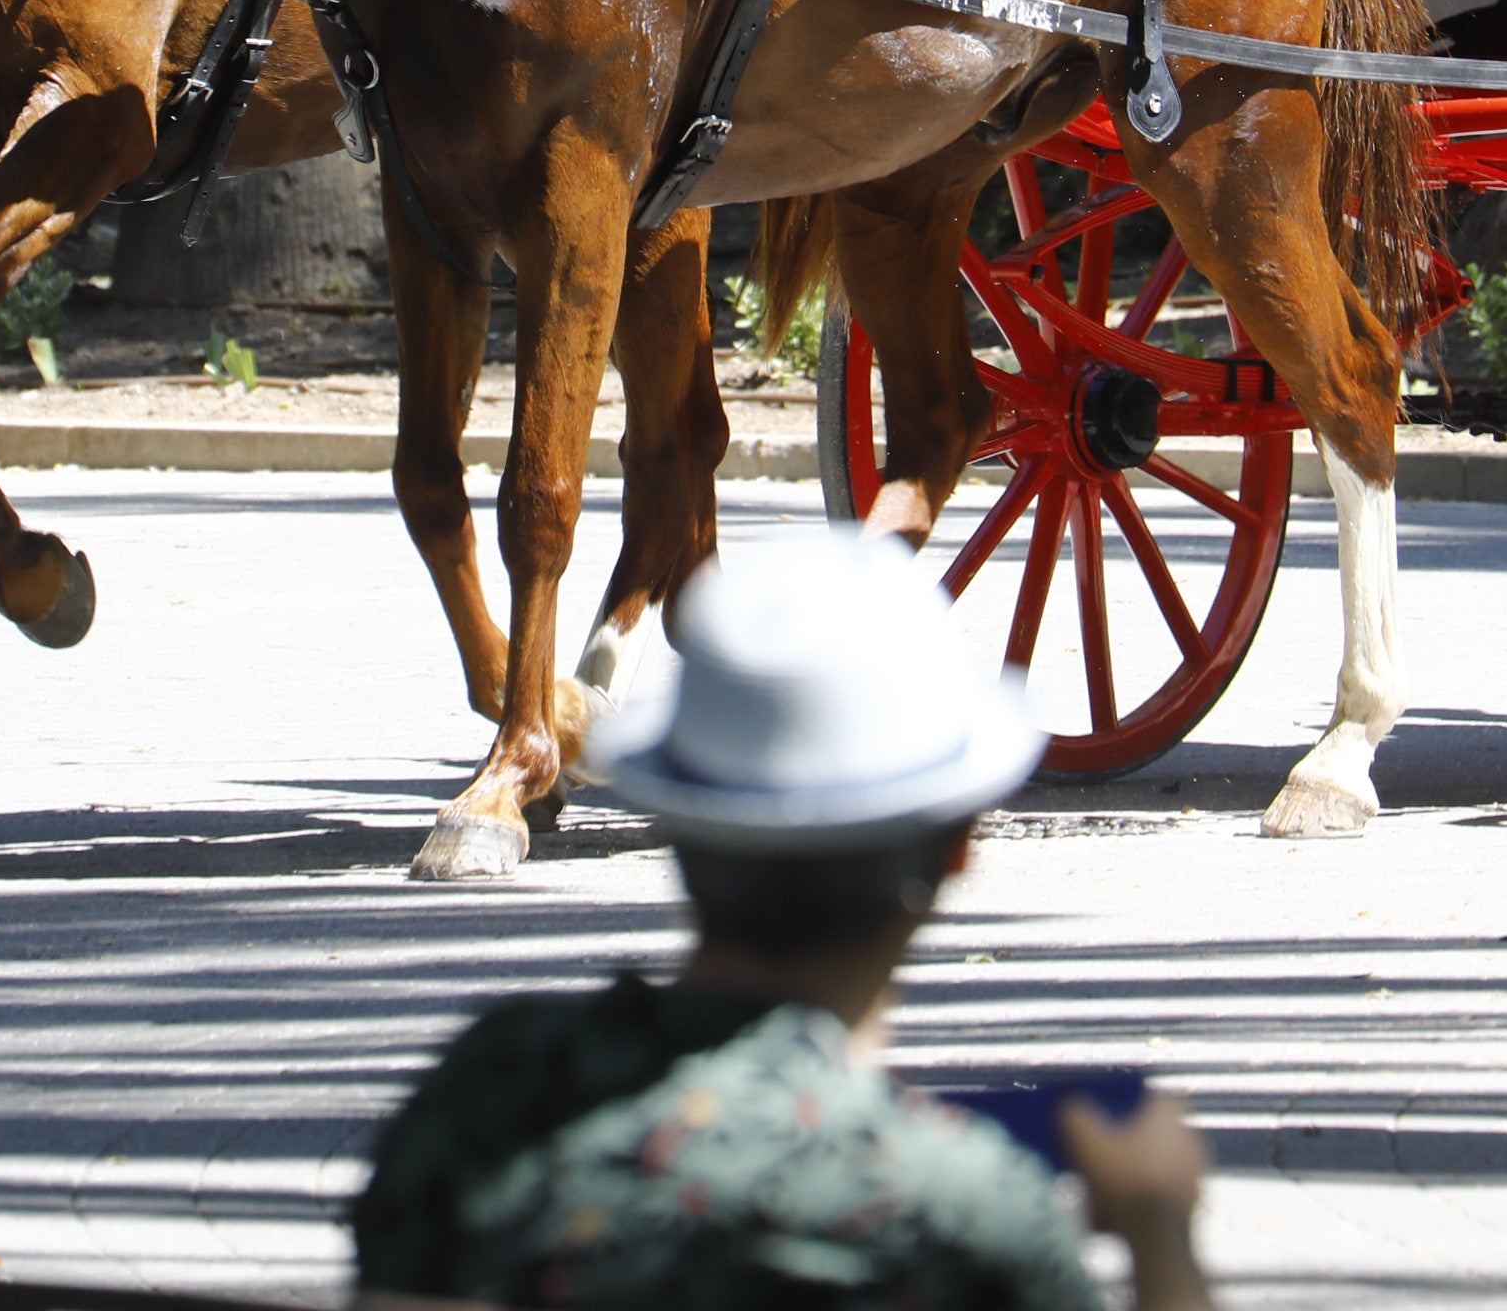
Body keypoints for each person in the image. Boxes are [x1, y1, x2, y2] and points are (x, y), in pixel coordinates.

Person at [352, 532, 1213, 1311]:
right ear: (958, 847)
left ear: (678, 827)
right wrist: (1159, 1237)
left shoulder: (487, 1090)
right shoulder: (966, 1210)